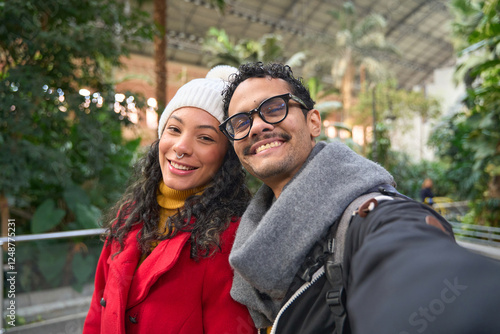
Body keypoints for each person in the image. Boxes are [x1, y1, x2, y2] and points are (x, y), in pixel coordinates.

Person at [219, 62, 500, 334]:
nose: (256, 127)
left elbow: (411, 259)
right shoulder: (247, 244)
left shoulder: (370, 217)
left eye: (273, 108)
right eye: (241, 122)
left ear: (313, 122)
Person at [83, 66, 256, 334]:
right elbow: (97, 313)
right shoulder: (128, 216)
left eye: (205, 137)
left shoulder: (230, 239)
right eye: (174, 129)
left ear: (227, 158)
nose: (182, 147)